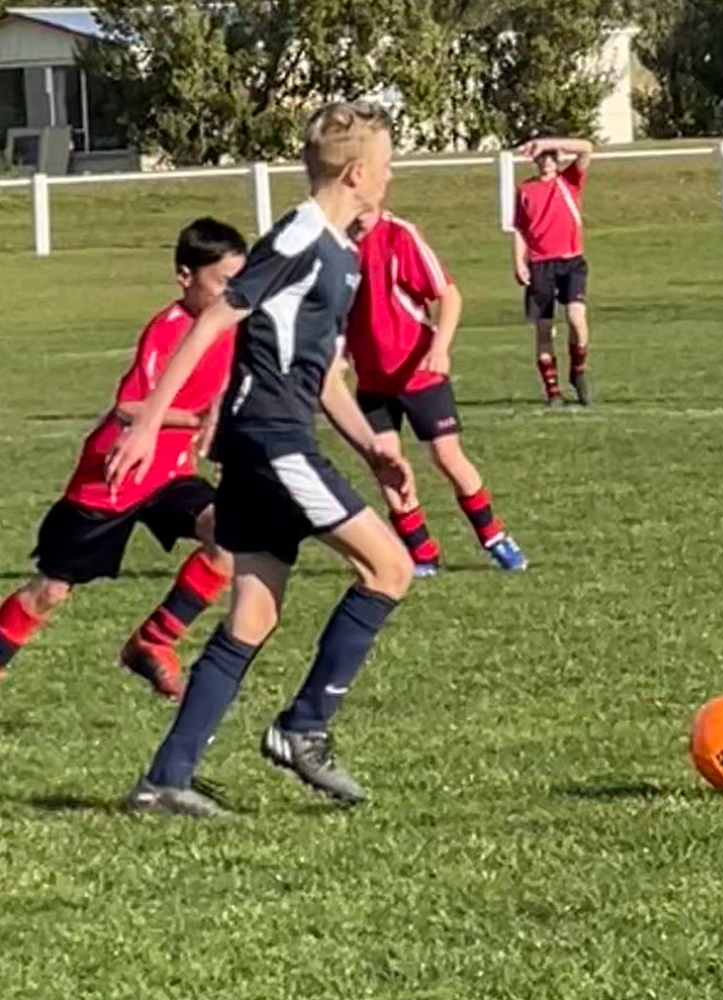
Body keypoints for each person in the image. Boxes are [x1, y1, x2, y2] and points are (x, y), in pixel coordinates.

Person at [106, 101, 414, 817]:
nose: (390, 176)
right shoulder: (300, 236)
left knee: (253, 610)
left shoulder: (339, 251)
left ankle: (165, 779)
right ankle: (303, 728)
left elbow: (322, 376)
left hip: (267, 438)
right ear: (357, 172)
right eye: (387, 165)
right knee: (390, 568)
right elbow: (217, 317)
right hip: (273, 441)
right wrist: (148, 421)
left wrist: (371, 447)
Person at [0, 218, 247, 700]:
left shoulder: (233, 324)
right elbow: (129, 407)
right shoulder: (168, 329)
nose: (232, 295)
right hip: (115, 475)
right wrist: (198, 419)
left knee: (230, 536)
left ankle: (154, 641)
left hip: (170, 475)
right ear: (185, 277)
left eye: (239, 283)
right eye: (222, 282)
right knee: (51, 590)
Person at [346, 209, 527, 576]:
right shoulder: (335, 243)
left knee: (447, 456)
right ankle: (422, 552)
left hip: (419, 374)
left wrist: (439, 348)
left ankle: (494, 537)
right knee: (385, 463)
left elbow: (449, 294)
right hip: (372, 380)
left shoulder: (399, 236)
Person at [513, 136, 593, 406]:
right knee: (544, 328)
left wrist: (546, 142)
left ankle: (578, 371)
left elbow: (587, 147)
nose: (547, 161)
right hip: (540, 264)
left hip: (571, 261)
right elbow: (521, 229)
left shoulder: (569, 181)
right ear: (535, 160)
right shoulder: (526, 190)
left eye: (551, 156)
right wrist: (519, 261)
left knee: (576, 318)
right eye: (542, 156)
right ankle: (553, 391)